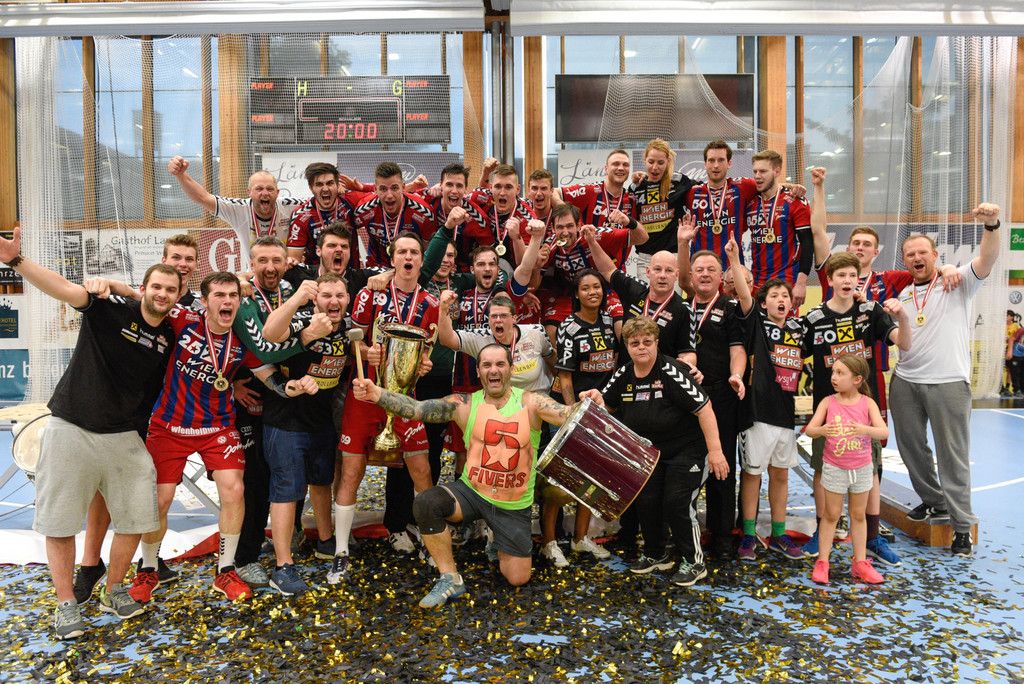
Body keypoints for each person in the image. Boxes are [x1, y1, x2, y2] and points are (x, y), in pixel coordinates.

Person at [1, 226, 182, 638]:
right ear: (144, 288)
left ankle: (114, 589)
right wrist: (15, 260)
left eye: (170, 290)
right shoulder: (108, 309)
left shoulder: (169, 335)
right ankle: (66, 604)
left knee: (138, 518)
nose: (163, 294)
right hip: (72, 427)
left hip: (124, 436)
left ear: (176, 297)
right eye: (156, 287)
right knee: (60, 523)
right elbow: (63, 288)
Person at [131, 272, 319, 603]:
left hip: (217, 427)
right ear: (204, 301)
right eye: (219, 295)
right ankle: (148, 568)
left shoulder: (242, 340)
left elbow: (269, 377)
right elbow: (143, 299)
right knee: (160, 499)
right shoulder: (183, 319)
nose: (227, 301)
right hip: (170, 425)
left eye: (233, 295)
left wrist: (293, 387)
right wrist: (109, 287)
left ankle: (226, 569)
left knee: (234, 490)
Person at [351, 343, 575, 607]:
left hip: (513, 505)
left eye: (500, 364)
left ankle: (497, 540)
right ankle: (450, 578)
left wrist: (589, 401)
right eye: (487, 365)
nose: (494, 370)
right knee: (427, 503)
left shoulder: (531, 402)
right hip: (473, 492)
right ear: (478, 371)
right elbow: (417, 408)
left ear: (511, 369)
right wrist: (377, 393)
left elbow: (566, 414)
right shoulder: (464, 404)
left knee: (517, 578)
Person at [72, 233, 201, 605]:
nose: (182, 264)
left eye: (189, 259)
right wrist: (108, 284)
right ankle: (90, 563)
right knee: (105, 487)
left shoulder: (197, 304)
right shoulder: (147, 295)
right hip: (134, 408)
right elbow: (122, 294)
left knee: (153, 493)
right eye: (175, 257)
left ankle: (149, 561)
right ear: (163, 259)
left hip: (172, 412)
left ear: (195, 266)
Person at [580, 317, 729, 586]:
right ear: (627, 347)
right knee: (647, 500)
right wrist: (595, 397)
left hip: (688, 450)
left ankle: (694, 562)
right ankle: (656, 553)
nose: (641, 347)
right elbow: (606, 406)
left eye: (647, 342)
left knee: (677, 501)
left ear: (657, 344)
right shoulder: (623, 374)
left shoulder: (672, 371)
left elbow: (705, 409)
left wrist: (716, 452)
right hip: (651, 453)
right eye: (635, 343)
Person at [889, 204, 1001, 557]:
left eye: (922, 252)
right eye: (910, 254)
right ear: (905, 261)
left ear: (935, 255)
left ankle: (962, 526)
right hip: (905, 380)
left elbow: (987, 259)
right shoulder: (904, 295)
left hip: (948, 381)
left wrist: (992, 225)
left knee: (953, 455)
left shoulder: (958, 281)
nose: (916, 257)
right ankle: (934, 501)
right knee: (911, 449)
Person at [328, 232, 439, 583]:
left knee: (422, 470)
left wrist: (423, 365)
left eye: (414, 252)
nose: (408, 257)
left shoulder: (431, 303)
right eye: (402, 251)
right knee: (352, 472)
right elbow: (352, 342)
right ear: (392, 259)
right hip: (365, 394)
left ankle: (431, 544)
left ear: (421, 260)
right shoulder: (369, 294)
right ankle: (341, 552)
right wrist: (366, 353)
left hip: (404, 398)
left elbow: (425, 354)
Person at [799, 251, 910, 567]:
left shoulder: (870, 311)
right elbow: (792, 354)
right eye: (841, 275)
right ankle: (822, 531)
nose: (848, 281)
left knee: (870, 471)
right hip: (829, 410)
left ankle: (872, 538)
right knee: (822, 470)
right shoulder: (813, 318)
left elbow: (903, 342)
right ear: (830, 280)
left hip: (862, 410)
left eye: (852, 275)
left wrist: (903, 316)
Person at [257, 273, 350, 595]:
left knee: (322, 482)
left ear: (347, 299)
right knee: (286, 491)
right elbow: (270, 334)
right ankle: (283, 566)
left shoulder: (347, 328)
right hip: (286, 421)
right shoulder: (301, 320)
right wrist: (305, 323)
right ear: (316, 299)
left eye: (339, 295)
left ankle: (325, 541)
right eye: (326, 295)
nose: (333, 301)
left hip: (322, 421)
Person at [676, 232, 750, 560]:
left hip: (721, 395)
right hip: (684, 399)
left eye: (711, 269)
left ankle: (722, 539)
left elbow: (738, 349)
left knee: (722, 469)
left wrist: (737, 375)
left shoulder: (730, 308)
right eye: (699, 270)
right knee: (686, 468)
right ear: (690, 277)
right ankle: (686, 536)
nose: (705, 274)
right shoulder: (681, 308)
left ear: (722, 276)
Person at [543, 269, 619, 567]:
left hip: (600, 411)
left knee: (592, 477)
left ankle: (580, 538)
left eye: (597, 287)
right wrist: (572, 413)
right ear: (577, 294)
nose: (592, 292)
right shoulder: (569, 327)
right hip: (570, 411)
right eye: (585, 288)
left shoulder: (611, 324)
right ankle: (549, 543)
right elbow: (564, 376)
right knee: (559, 479)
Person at [733, 268, 807, 562]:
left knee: (780, 474)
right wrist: (735, 260)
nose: (781, 300)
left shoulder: (799, 329)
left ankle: (778, 533)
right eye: (774, 295)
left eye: (785, 296)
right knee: (752, 474)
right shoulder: (758, 323)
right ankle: (749, 534)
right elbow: (743, 295)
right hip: (757, 413)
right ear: (763, 303)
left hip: (786, 415)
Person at [803, 354, 889, 585]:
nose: (834, 377)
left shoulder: (867, 403)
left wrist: (864, 429)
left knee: (858, 515)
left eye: (840, 373)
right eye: (834, 372)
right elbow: (810, 429)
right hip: (835, 468)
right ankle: (823, 562)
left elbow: (883, 432)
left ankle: (860, 563)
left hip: (861, 468)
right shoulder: (828, 402)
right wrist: (822, 430)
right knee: (831, 515)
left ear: (857, 379)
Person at [166, 156, 302, 261]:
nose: (265, 193)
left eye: (270, 189)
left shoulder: (291, 206)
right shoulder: (239, 209)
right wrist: (181, 175)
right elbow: (203, 198)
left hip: (286, 273)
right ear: (249, 192)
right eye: (259, 189)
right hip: (254, 278)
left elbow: (313, 203)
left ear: (277, 193)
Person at [745, 150, 813, 308]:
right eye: (755, 171)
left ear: (777, 171)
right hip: (756, 281)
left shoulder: (795, 200)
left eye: (763, 171)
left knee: (784, 323)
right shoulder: (750, 200)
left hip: (786, 280)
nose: (757, 176)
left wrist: (801, 283)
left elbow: (807, 243)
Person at [350, 161, 439, 268]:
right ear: (375, 190)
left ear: (403, 187)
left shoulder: (424, 213)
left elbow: (427, 250)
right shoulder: (363, 210)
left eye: (394, 188)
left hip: (409, 267)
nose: (389, 195)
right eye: (383, 189)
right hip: (377, 268)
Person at [629, 138, 695, 256]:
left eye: (660, 163)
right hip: (645, 256)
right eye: (651, 162)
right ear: (644, 160)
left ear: (667, 162)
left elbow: (705, 189)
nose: (655, 167)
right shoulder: (635, 188)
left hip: (674, 254)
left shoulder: (679, 181)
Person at [287, 162, 356, 269]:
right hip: (317, 276)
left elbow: (380, 192)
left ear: (338, 185)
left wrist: (362, 187)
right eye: (319, 184)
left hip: (351, 273)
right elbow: (293, 260)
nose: (325, 189)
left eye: (330, 183)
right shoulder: (301, 216)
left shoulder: (350, 201)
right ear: (311, 187)